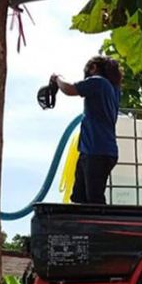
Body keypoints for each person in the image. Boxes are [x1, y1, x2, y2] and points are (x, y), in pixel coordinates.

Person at [51, 56, 122, 205]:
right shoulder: (113, 89)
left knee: (94, 200)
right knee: (79, 197)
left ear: (94, 68)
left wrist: (57, 78)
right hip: (94, 151)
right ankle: (83, 227)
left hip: (97, 151)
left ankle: (102, 227)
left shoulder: (98, 82)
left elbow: (69, 89)